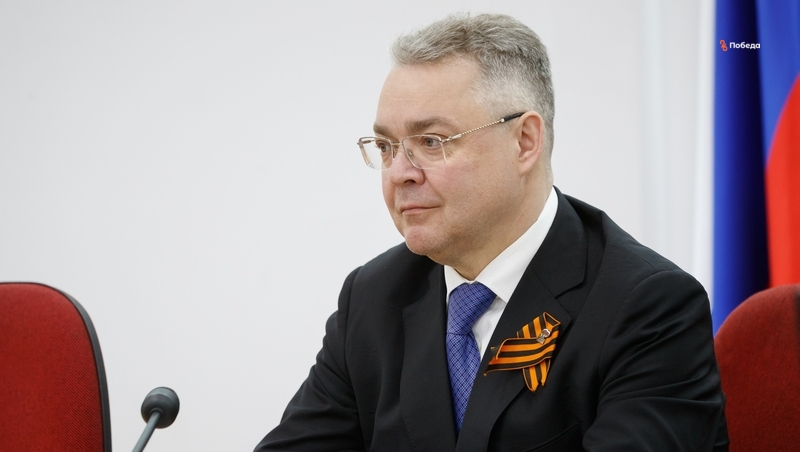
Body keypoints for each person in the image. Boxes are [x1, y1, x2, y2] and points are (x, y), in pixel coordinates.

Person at [255, 13, 728, 451]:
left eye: (432, 141)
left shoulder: (648, 306)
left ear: (524, 142)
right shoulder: (373, 298)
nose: (399, 173)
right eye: (385, 146)